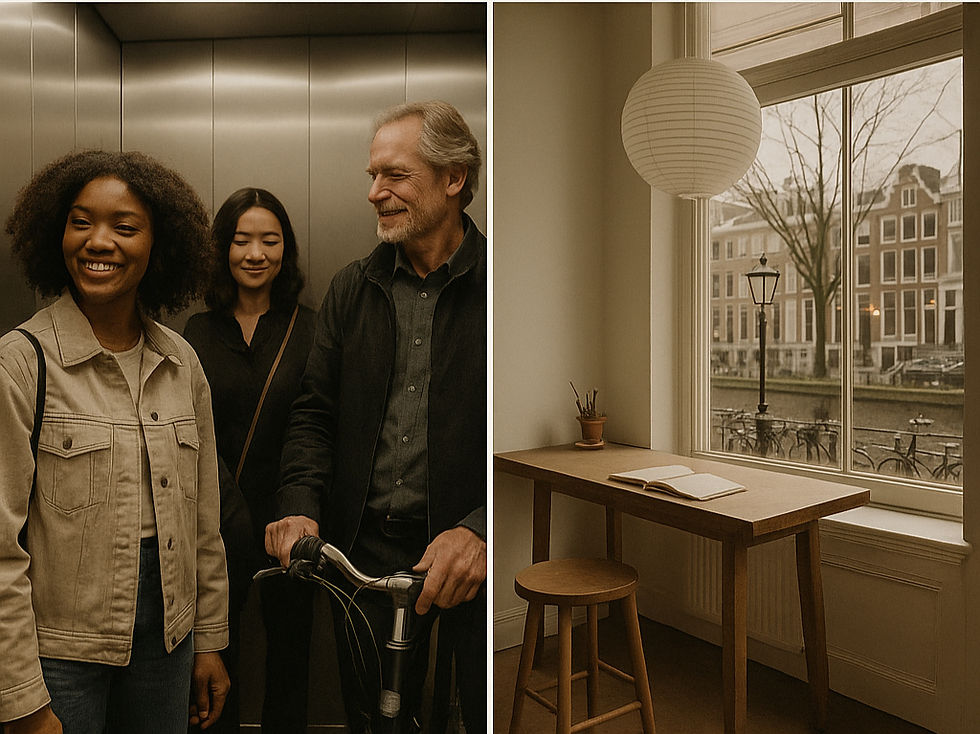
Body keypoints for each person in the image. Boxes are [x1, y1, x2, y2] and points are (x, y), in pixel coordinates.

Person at [264, 100, 486, 733]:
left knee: (473, 707)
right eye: (372, 175)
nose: (374, 193)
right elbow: (314, 412)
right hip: (363, 546)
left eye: (394, 175)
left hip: (462, 543)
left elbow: (523, 424)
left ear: (453, 178)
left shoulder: (500, 288)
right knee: (374, 714)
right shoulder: (351, 287)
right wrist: (300, 501)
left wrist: (481, 528)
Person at [0, 150, 230, 734]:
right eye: (81, 222)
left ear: (159, 246)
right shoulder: (22, 363)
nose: (98, 241)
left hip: (169, 638)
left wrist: (208, 638)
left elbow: (204, 522)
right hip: (59, 648)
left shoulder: (181, 363)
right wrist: (21, 696)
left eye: (124, 228)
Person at [183, 188, 316, 733]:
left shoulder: (310, 328)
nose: (255, 253)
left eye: (270, 239)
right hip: (216, 524)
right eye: (241, 240)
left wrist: (300, 508)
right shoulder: (196, 332)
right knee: (215, 659)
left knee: (291, 659)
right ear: (223, 249)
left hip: (294, 520)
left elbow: (318, 425)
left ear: (286, 248)